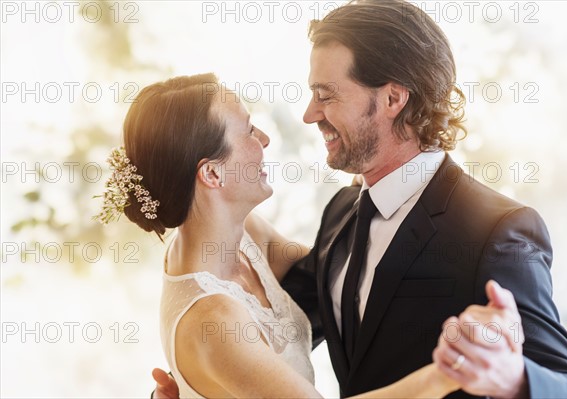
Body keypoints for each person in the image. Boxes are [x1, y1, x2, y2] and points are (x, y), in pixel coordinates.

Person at [152, 1, 567, 398]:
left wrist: (515, 379)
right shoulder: (342, 213)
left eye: (325, 95)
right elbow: (263, 330)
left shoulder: (496, 231)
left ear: (392, 98)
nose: (310, 115)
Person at [97, 73, 464, 398]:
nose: (266, 139)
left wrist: (376, 181)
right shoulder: (215, 319)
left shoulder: (242, 236)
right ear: (211, 174)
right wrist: (451, 372)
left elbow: (330, 275)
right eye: (248, 130)